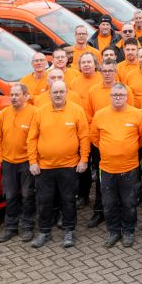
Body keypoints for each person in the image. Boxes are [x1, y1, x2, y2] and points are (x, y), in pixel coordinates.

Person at [27, 81, 90, 248]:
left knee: (68, 200)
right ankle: (44, 232)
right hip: (44, 167)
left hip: (69, 166)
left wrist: (84, 159)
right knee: (44, 201)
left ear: (66, 93)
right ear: (50, 94)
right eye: (55, 92)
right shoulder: (40, 112)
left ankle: (69, 231)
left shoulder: (77, 110)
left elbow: (84, 137)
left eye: (61, 91)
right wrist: (32, 161)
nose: (58, 95)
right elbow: (32, 138)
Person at [90, 83, 142, 248]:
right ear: (110, 96)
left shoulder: (137, 114)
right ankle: (113, 231)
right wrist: (110, 149)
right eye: (115, 95)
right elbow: (95, 138)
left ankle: (128, 231)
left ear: (127, 97)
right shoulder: (100, 115)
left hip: (130, 168)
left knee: (129, 203)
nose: (118, 98)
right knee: (109, 204)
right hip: (107, 168)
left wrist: (127, 149)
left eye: (121, 95)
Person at [0, 83, 37, 243]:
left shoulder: (34, 113)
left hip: (26, 162)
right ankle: (11, 227)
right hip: (8, 163)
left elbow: (36, 138)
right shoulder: (4, 113)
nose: (13, 97)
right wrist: (1, 158)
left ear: (25, 96)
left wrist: (33, 160)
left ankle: (27, 227)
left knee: (27, 195)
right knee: (10, 196)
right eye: (11, 95)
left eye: (17, 95)